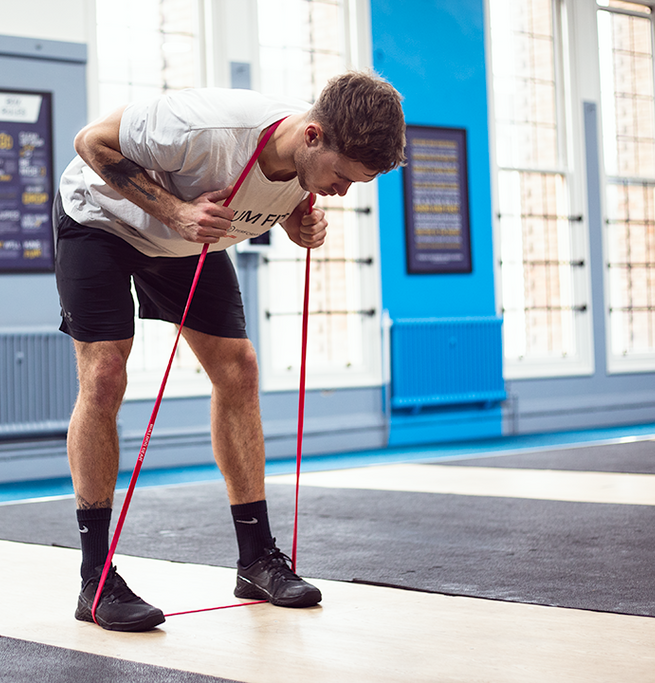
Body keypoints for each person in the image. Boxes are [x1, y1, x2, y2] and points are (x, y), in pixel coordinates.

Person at [53, 70, 406, 632]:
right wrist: (173, 212)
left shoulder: (308, 157)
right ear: (312, 136)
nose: (342, 191)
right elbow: (90, 140)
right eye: (341, 177)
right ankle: (95, 581)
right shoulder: (205, 125)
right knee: (105, 375)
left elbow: (273, 192)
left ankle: (256, 561)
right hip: (102, 220)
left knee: (238, 369)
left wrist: (296, 219)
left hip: (186, 238)